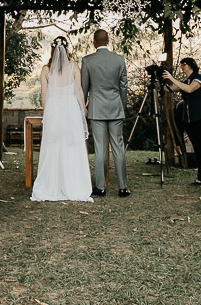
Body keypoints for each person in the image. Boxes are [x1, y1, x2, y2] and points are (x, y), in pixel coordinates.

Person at [31, 36, 93, 202]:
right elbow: (78, 90)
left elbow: (44, 94)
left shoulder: (45, 70)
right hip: (71, 109)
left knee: (53, 146)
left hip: (54, 109)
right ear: (67, 50)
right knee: (71, 145)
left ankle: (52, 185)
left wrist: (47, 112)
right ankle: (74, 184)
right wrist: (83, 109)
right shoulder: (73, 67)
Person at [81, 29, 130, 198]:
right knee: (118, 147)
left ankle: (100, 187)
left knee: (100, 149)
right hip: (115, 107)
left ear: (94, 42)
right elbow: (124, 87)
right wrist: (121, 106)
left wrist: (84, 108)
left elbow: (84, 88)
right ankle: (123, 187)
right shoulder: (119, 60)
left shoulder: (87, 61)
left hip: (97, 109)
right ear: (108, 41)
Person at [163, 58, 201, 185]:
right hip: (189, 119)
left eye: (183, 64)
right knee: (197, 148)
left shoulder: (198, 78)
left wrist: (171, 77)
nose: (182, 67)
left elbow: (189, 89)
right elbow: (170, 89)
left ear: (190, 65)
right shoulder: (185, 81)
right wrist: (161, 81)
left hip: (200, 117)